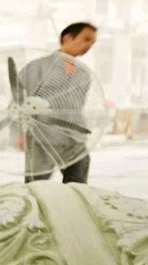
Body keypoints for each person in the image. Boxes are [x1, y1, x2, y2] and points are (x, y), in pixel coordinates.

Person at [18, 22, 99, 184]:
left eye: (92, 43)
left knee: (78, 186)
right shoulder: (37, 67)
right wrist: (19, 132)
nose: (89, 46)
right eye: (86, 39)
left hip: (74, 138)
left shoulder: (83, 73)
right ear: (67, 38)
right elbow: (19, 102)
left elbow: (78, 107)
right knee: (36, 186)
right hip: (42, 137)